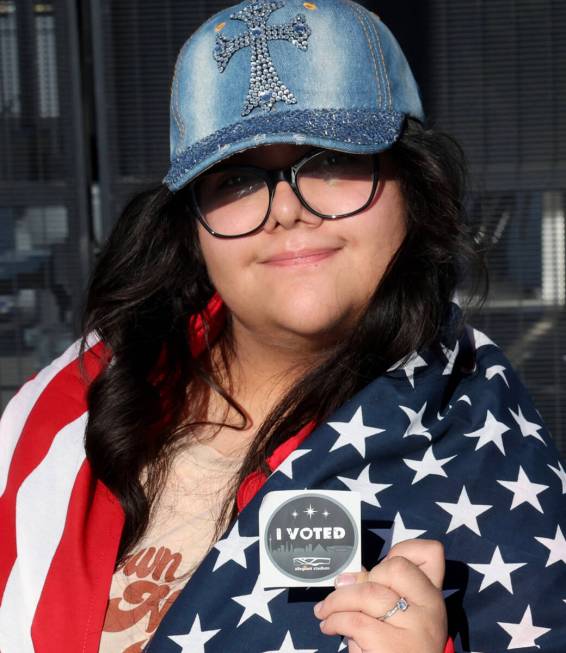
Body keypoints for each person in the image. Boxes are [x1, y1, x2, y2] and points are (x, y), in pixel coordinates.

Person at [0, 0, 565, 652]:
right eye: (237, 178)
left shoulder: (484, 450)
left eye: (329, 160)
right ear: (193, 224)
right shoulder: (67, 407)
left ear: (414, 183)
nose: (288, 210)